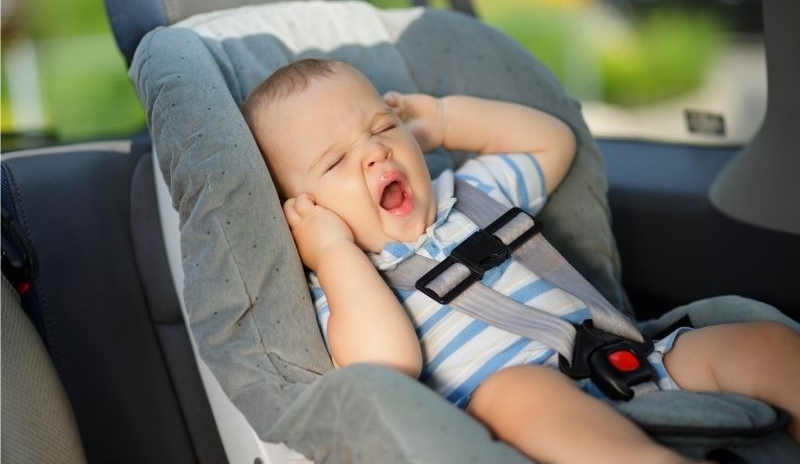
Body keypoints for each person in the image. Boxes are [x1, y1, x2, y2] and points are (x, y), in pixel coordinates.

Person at [241, 58, 800, 464]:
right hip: (526, 419)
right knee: (514, 393)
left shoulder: (473, 192)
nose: (375, 151)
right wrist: (335, 251)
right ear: (304, 209)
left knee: (762, 343)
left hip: (635, 360)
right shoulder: (346, 283)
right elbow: (388, 367)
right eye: (337, 161)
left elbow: (551, 143)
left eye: (383, 127)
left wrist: (442, 121)